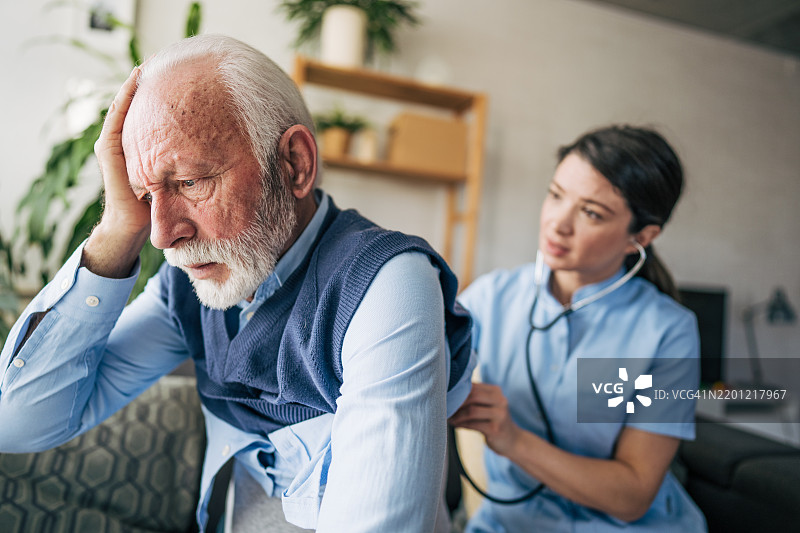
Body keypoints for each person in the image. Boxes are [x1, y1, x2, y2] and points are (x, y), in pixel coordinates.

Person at [0, 34, 474, 533]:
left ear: (294, 164)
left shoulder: (386, 284)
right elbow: (19, 421)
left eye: (190, 182)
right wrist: (117, 230)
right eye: (145, 196)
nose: (161, 235)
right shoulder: (187, 290)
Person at [450, 125, 707, 532]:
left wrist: (514, 440)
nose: (558, 224)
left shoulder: (668, 331)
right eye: (555, 195)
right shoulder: (492, 297)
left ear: (640, 237)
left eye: (591, 213)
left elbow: (633, 495)